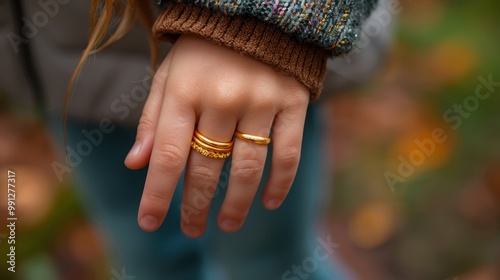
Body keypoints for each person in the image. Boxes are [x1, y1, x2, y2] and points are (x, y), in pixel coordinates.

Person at [0, 0, 385, 279]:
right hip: (65, 77)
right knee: (149, 261)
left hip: (237, 80)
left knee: (271, 264)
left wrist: (268, 25)